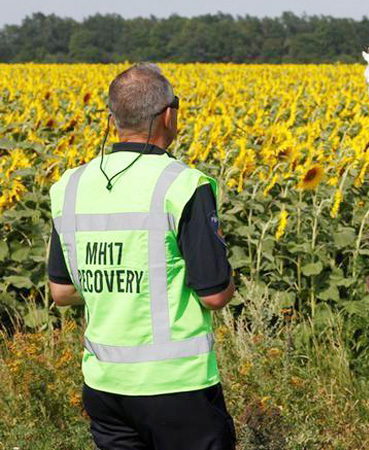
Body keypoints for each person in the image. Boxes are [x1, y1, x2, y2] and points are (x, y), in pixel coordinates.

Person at [47, 63, 236, 450]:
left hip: (105, 386)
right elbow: (214, 295)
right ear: (169, 114)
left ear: (112, 119)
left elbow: (62, 292)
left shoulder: (70, 186)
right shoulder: (183, 185)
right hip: (177, 386)